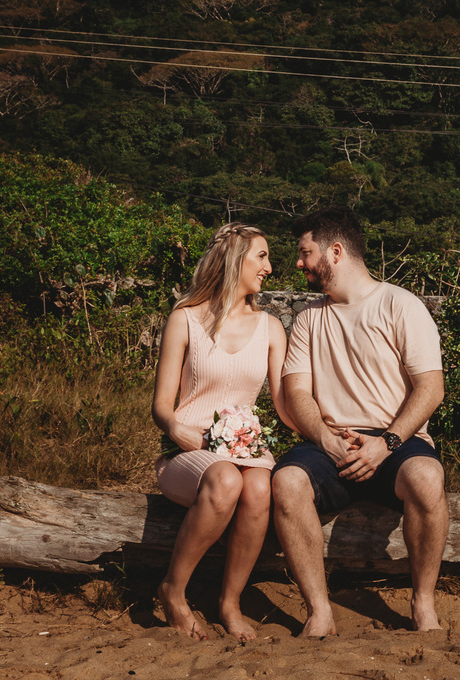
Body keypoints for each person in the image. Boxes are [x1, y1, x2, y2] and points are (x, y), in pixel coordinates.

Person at [271, 207, 447, 636]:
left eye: (305, 253)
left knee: (426, 477)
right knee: (286, 483)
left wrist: (386, 443)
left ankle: (422, 601)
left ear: (335, 251)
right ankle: (320, 610)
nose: (298, 263)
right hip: (326, 442)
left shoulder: (401, 305)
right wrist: (326, 441)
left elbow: (431, 388)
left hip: (395, 442)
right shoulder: (310, 317)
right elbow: (297, 392)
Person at [152, 222, 293, 642]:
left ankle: (229, 603)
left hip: (246, 451)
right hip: (187, 452)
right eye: (262, 256)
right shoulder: (185, 319)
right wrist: (178, 430)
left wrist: (330, 432)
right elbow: (161, 406)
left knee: (259, 489)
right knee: (226, 479)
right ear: (235, 259)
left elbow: (285, 406)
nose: (269, 266)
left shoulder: (271, 328)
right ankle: (173, 591)